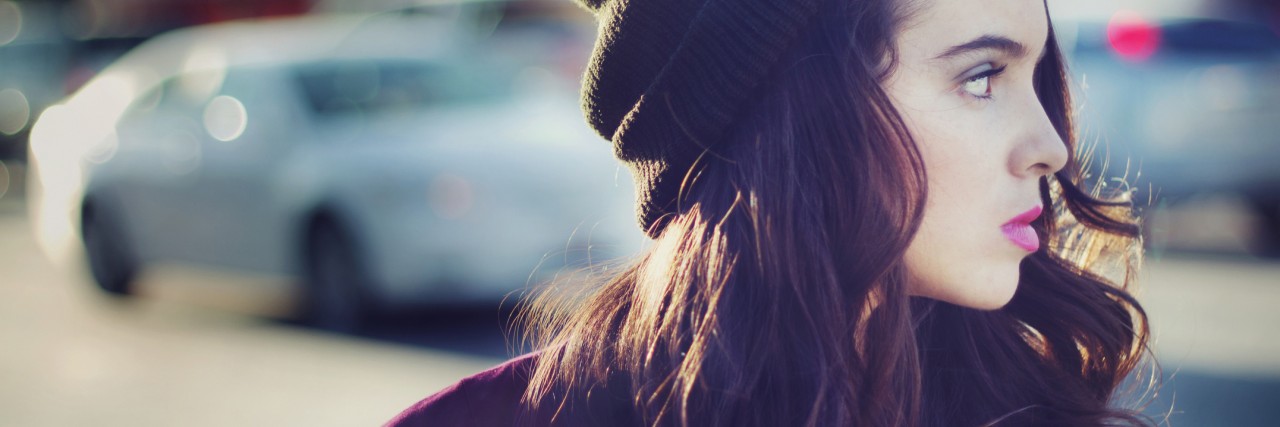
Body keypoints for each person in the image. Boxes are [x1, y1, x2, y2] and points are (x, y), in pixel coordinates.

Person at [387, 0, 1156, 425]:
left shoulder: (1036, 410)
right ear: (797, 109)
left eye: (1038, 75)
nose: (1051, 146)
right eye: (982, 77)